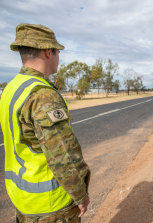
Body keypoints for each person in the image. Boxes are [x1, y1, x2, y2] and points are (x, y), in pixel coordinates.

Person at [0, 23, 90, 222]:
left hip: (22, 199)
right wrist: (80, 195)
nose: (59, 57)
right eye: (58, 51)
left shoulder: (11, 88)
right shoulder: (43, 95)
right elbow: (61, 155)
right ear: (49, 52)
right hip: (52, 204)